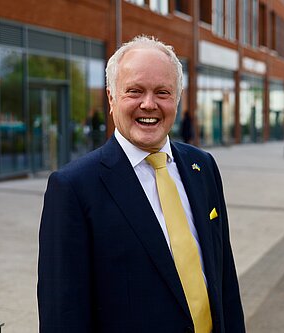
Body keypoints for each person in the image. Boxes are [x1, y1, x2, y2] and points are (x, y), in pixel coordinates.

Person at [38, 35, 245, 333]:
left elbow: (225, 280)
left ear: (177, 98)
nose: (149, 104)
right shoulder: (74, 187)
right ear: (111, 98)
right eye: (134, 91)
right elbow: (63, 313)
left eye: (163, 92)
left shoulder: (203, 167)